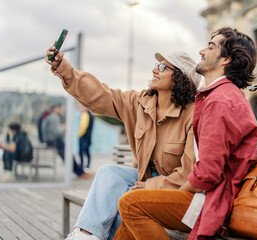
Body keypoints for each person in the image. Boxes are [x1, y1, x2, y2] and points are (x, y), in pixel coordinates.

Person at [113, 27, 257, 240]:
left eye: (210, 47)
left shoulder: (221, 100)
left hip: (213, 202)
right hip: (208, 196)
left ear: (226, 59)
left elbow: (208, 173)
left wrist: (176, 191)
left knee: (132, 203)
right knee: (134, 208)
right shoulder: (219, 95)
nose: (201, 51)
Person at [45, 44, 200, 240]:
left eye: (163, 67)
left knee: (125, 201)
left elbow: (189, 173)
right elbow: (100, 94)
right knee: (108, 172)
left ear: (180, 78)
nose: (154, 70)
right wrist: (63, 67)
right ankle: (86, 235)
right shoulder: (139, 103)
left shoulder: (193, 115)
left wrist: (152, 185)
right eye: (156, 65)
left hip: (176, 190)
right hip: (145, 179)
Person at [41, 103, 92, 179]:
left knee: (68, 155)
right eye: (62, 109)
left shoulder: (51, 116)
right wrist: (65, 130)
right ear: (57, 108)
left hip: (51, 140)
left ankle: (80, 172)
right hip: (54, 141)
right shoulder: (54, 117)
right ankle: (80, 172)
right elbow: (56, 133)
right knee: (68, 155)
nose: (63, 111)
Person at [78, 105, 94, 169]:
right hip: (88, 137)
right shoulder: (90, 115)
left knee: (81, 151)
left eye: (82, 107)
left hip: (84, 137)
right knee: (87, 152)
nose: (80, 108)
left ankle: (82, 166)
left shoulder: (85, 114)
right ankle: (87, 166)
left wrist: (79, 134)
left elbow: (83, 126)